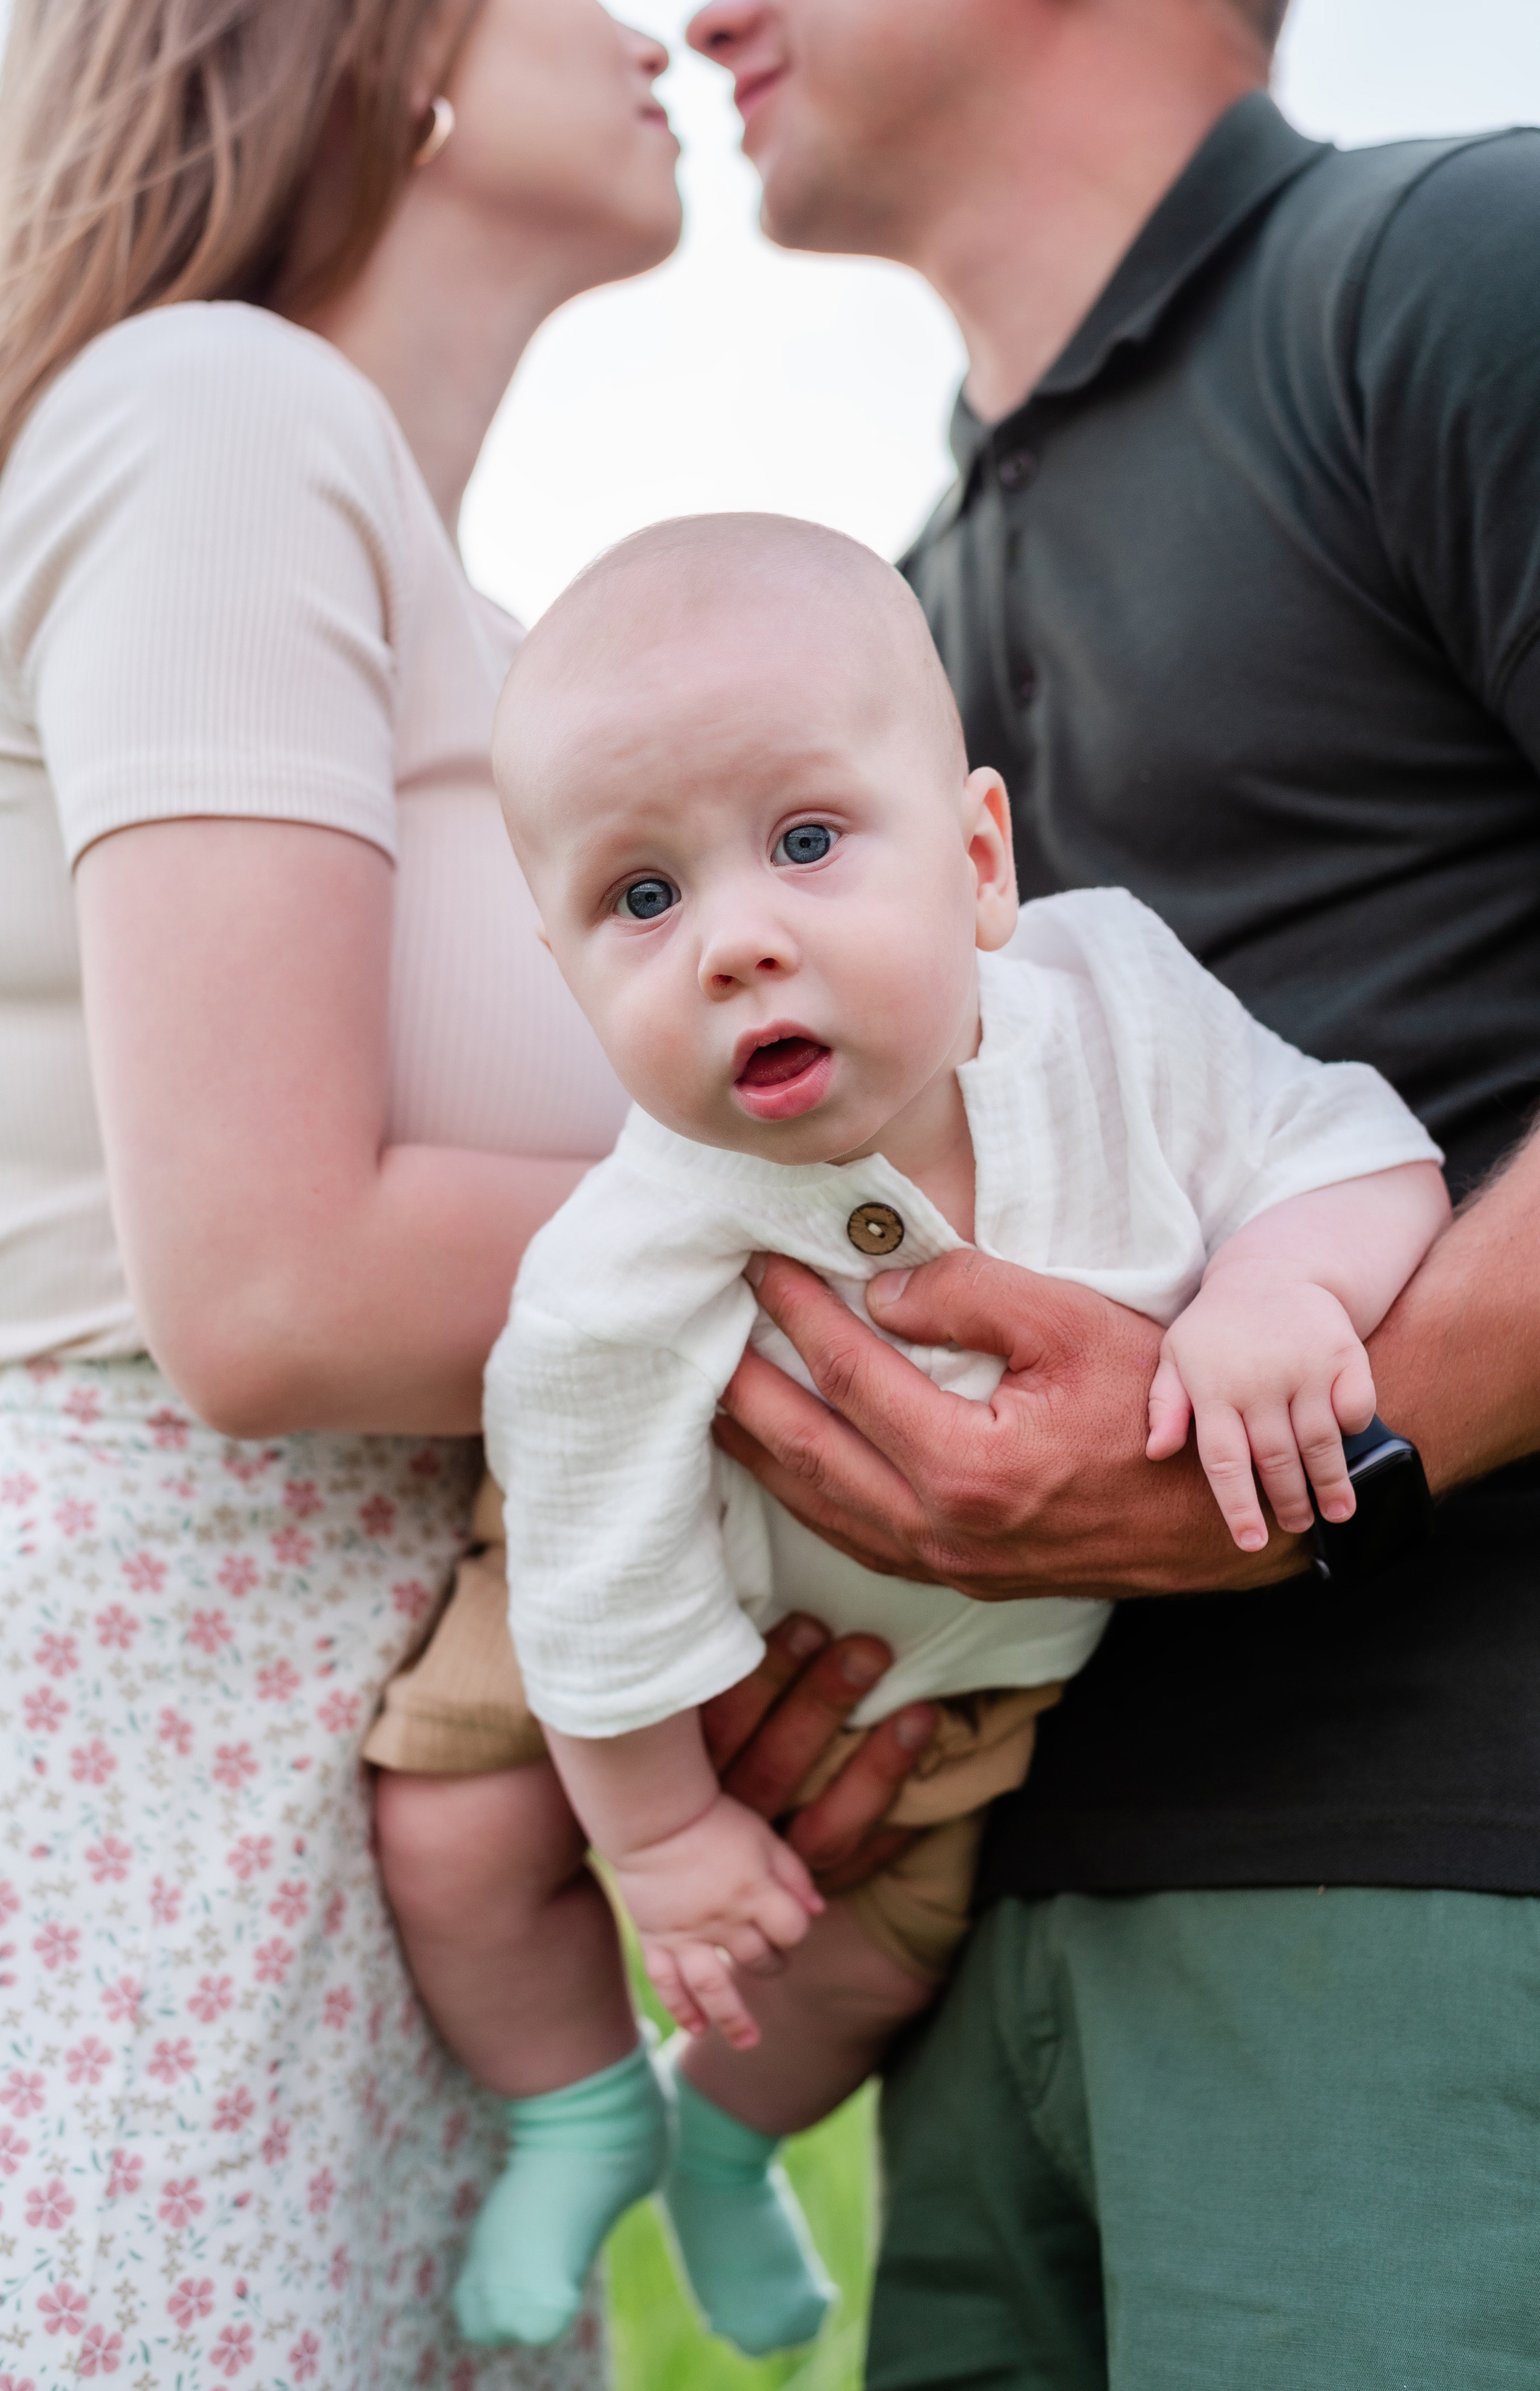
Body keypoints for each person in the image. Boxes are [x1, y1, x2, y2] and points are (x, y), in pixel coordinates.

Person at [0, 5, 905, 2382]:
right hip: (147, 1731)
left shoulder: (433, 580)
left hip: (360, 1746)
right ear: (379, 54)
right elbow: (270, 1284)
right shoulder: (216, 414)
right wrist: (934, 1239)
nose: (655, 24)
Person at [682, 0, 1540, 2382]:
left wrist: (1300, 1463)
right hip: (980, 1967)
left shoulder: (1457, 269)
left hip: (1441, 1910)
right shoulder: (880, 620)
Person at [370, 510, 1445, 2358]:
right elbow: (598, 1574)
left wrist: (1286, 1287)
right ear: (573, 981)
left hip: (968, 1688)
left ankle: (719, 2146)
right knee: (455, 1828)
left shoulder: (1119, 1012)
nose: (735, 943)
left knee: (871, 1955)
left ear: (975, 863)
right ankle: (574, 2101)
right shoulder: (626, 1257)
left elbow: (1353, 1146)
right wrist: (662, 1834)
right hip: (621, 1644)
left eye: (804, 843)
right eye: (643, 900)